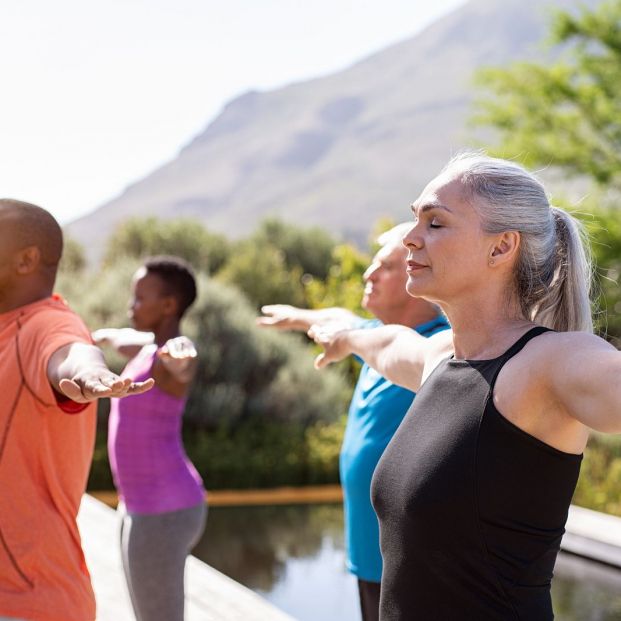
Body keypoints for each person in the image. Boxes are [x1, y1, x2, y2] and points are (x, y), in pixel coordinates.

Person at [308, 152, 621, 620]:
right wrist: (345, 338)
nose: (410, 239)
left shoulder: (551, 363)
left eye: (435, 223)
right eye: (416, 219)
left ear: (501, 247)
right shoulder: (441, 360)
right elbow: (390, 343)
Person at [258, 224, 449, 621]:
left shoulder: (441, 348)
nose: (368, 275)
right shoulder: (374, 337)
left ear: (420, 278)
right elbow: (339, 317)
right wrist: (297, 316)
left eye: (384, 267)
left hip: (417, 566)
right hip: (370, 559)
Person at [0, 199, 153, 621]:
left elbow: (72, 353)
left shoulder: (46, 324)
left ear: (27, 259)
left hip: (28, 602)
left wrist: (91, 376)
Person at [92, 256, 206, 621]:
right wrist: (96, 337)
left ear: (169, 305)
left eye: (140, 298)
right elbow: (121, 338)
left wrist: (180, 357)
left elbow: (182, 359)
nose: (131, 305)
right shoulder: (146, 348)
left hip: (163, 510)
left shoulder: (168, 355)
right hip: (141, 505)